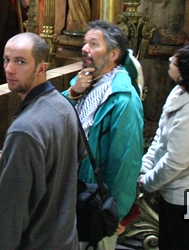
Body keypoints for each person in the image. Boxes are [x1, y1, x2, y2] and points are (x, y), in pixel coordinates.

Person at [0, 32, 85, 250]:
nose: (9, 69)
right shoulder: (63, 104)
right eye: (6, 60)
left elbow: (8, 213)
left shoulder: (24, 131)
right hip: (65, 238)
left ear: (41, 68)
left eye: (20, 62)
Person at [64, 20, 144, 249]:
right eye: (84, 43)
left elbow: (125, 162)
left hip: (98, 203)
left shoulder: (122, 99)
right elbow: (58, 116)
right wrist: (73, 92)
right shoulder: (85, 84)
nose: (84, 48)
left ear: (113, 54)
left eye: (93, 44)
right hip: (77, 192)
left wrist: (115, 213)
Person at [139, 44, 189, 250]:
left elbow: (176, 160)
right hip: (173, 190)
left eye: (175, 61)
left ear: (185, 74)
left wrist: (147, 183)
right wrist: (145, 165)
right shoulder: (179, 92)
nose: (169, 61)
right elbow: (161, 136)